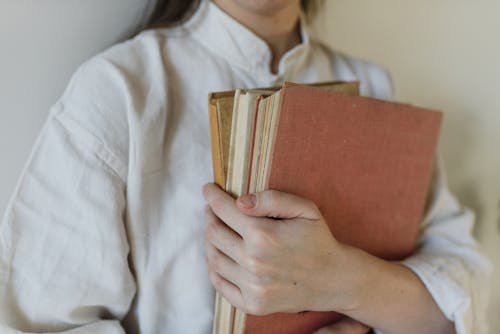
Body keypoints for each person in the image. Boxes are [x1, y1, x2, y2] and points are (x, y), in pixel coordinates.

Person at [0, 0, 489, 333]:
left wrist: (345, 280)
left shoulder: (374, 86)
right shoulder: (118, 93)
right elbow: (38, 323)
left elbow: (472, 296)